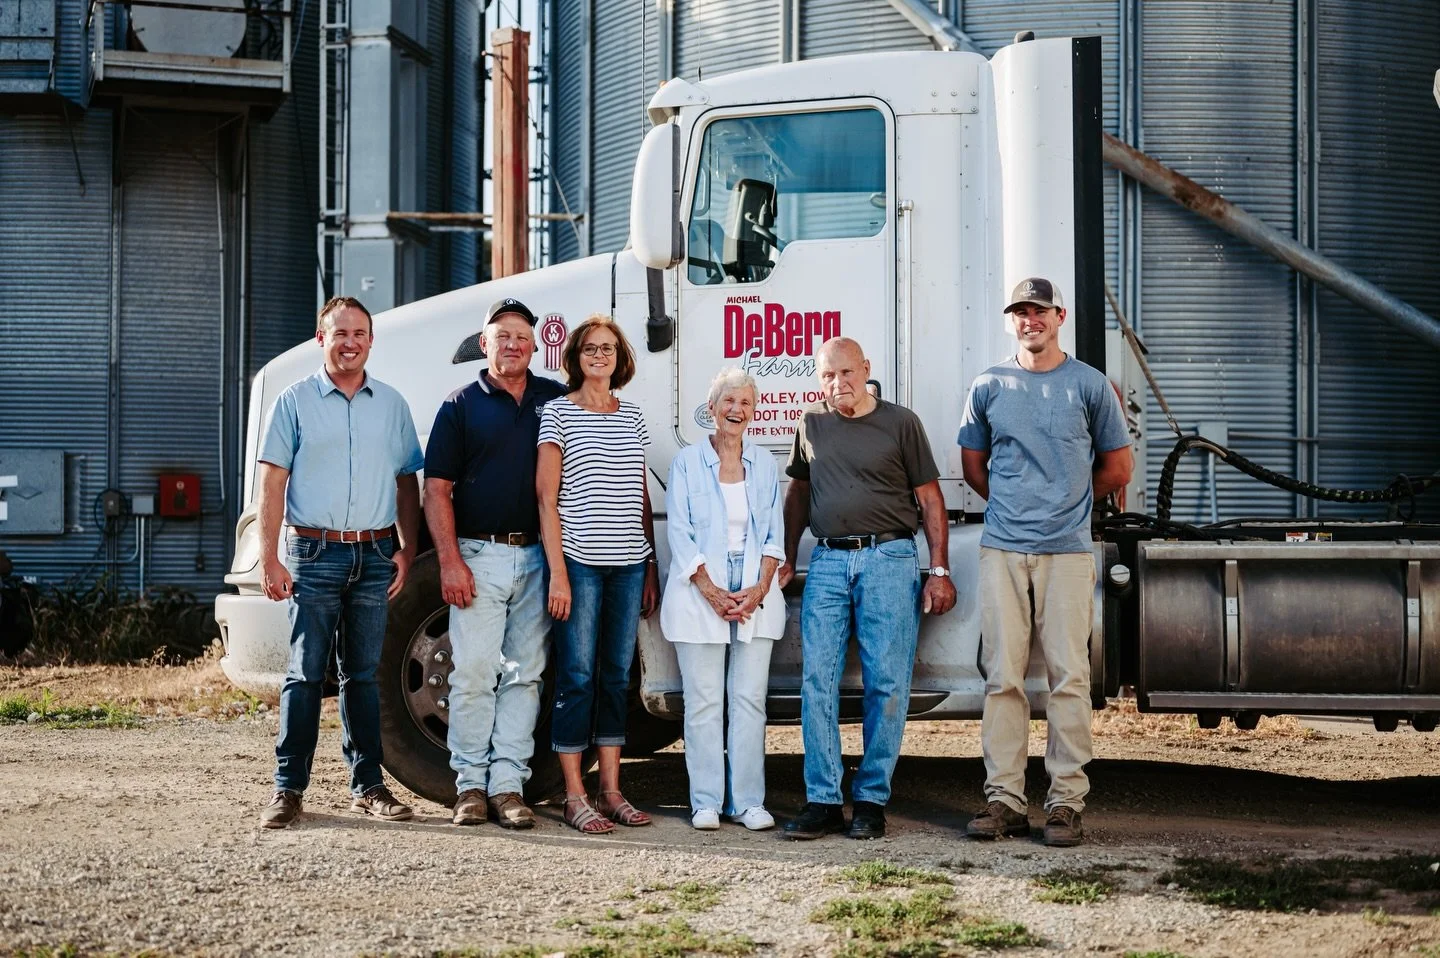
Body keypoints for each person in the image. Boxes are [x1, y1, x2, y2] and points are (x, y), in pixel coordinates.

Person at [957, 277, 1133, 848]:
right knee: (1002, 678)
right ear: (1011, 320)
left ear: (1059, 315)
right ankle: (1003, 801)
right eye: (1019, 312)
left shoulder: (1088, 385)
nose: (1029, 320)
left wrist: (1067, 506)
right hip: (1003, 547)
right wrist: (1015, 508)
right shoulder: (988, 384)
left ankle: (1064, 804)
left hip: (1067, 550)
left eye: (1039, 311)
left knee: (1068, 677)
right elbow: (974, 466)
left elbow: (1118, 467)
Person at [256, 296, 424, 829]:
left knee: (364, 677)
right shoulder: (294, 401)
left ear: (371, 341)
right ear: (320, 339)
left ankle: (368, 786)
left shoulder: (391, 405)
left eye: (358, 333)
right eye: (339, 333)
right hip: (314, 553)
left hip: (375, 554)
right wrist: (269, 558)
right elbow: (272, 482)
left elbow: (406, 483)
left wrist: (408, 548)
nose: (349, 342)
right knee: (304, 675)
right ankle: (288, 788)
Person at [780, 337, 957, 841]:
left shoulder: (901, 423)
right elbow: (800, 492)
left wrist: (939, 570)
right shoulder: (810, 422)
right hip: (829, 561)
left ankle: (872, 801)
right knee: (818, 681)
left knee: (887, 683)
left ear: (866, 369)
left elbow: (930, 498)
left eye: (846, 372)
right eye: (827, 376)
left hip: (890, 558)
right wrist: (789, 556)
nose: (838, 384)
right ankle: (822, 800)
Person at [424, 298, 567, 829]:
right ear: (484, 344)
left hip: (538, 556)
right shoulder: (460, 405)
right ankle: (470, 786)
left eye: (522, 337)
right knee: (476, 673)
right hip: (478, 556)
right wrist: (449, 562)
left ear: (535, 346)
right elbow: (436, 490)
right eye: (502, 335)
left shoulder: (554, 400)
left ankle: (509, 785)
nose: (513, 344)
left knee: (526, 675)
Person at [536, 313, 661, 835]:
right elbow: (546, 500)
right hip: (581, 564)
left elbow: (640, 495)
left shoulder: (632, 417)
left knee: (617, 678)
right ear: (577, 357)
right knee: (577, 676)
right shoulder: (557, 414)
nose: (600, 356)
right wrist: (558, 574)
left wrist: (650, 561)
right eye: (591, 348)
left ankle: (611, 791)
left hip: (629, 563)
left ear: (620, 358)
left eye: (608, 348)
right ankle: (573, 795)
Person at [661, 367, 785, 832]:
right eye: (728, 402)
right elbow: (680, 531)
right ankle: (706, 801)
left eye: (746, 403)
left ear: (754, 412)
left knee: (750, 700)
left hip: (755, 585)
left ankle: (749, 801)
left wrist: (759, 588)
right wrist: (711, 591)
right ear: (711, 408)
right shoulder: (687, 462)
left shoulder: (765, 463)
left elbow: (776, 534)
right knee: (705, 701)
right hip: (702, 585)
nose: (737, 410)